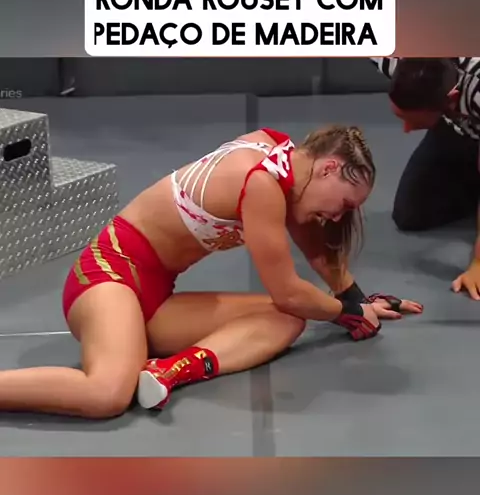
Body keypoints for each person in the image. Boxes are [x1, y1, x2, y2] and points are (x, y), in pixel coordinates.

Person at [0, 124, 422, 419]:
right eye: (345, 204)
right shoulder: (261, 183)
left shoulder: (283, 157)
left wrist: (357, 300)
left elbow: (314, 253)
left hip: (155, 300)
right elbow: (289, 291)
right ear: (328, 168)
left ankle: (167, 371)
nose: (338, 217)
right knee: (106, 394)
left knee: (288, 320)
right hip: (107, 277)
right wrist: (347, 314)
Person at [370, 57, 480, 299]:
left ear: (451, 98)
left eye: (414, 120)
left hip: (467, 115)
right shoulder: (398, 63)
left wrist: (478, 263)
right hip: (459, 129)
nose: (407, 129)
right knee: (410, 215)